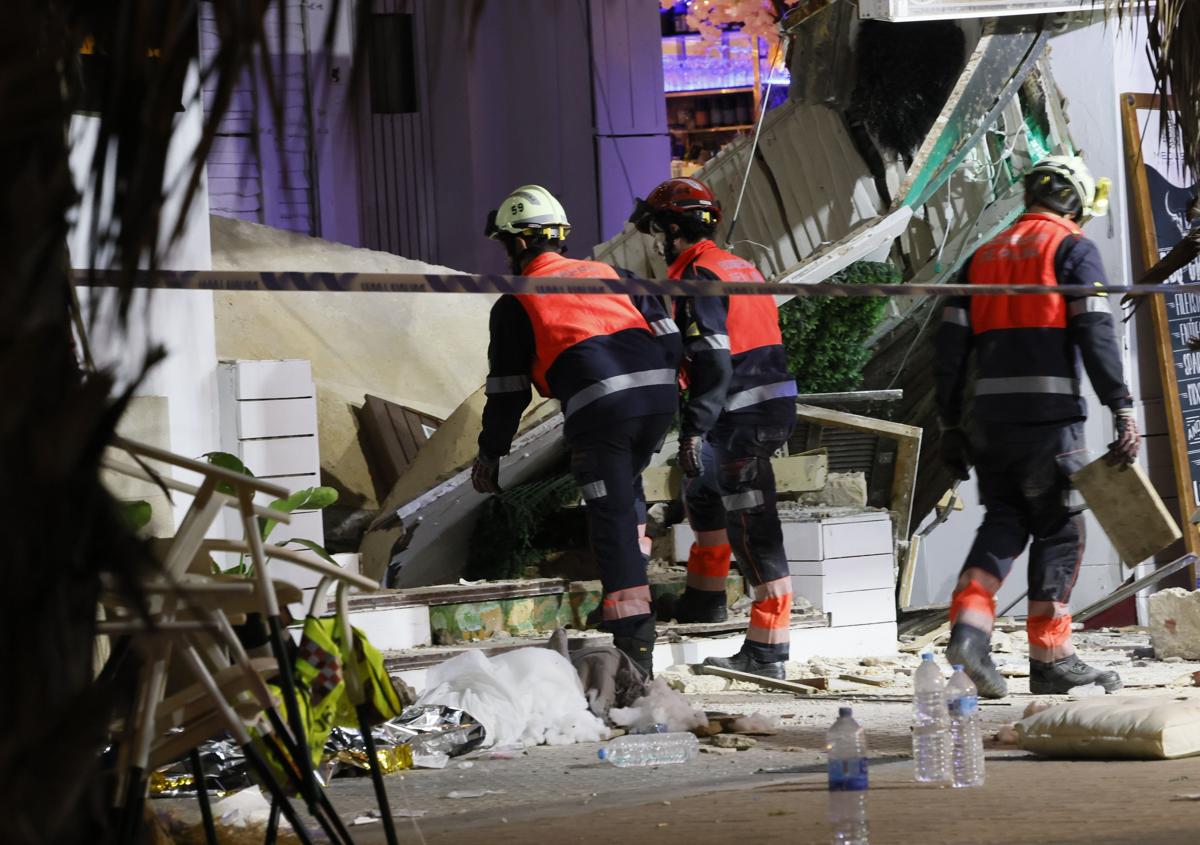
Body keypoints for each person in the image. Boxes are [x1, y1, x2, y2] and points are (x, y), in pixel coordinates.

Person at [934, 154, 1140, 698]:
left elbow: (949, 351)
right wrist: (1120, 406)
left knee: (1004, 520)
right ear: (1072, 199)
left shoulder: (980, 256)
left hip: (990, 423)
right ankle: (1051, 658)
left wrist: (951, 424)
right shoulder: (1072, 249)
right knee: (1059, 527)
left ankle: (970, 631)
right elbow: (1096, 333)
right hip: (1050, 424)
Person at [471, 184, 681, 676]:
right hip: (657, 399)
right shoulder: (614, 274)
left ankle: (634, 646)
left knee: (607, 519)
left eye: (504, 245)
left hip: (602, 411)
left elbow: (507, 391)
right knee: (624, 493)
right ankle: (623, 594)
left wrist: (489, 453)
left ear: (519, 244)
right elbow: (668, 339)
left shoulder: (517, 300)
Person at [630, 177, 797, 680]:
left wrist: (694, 428)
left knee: (753, 528)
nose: (657, 239)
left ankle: (768, 652)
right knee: (703, 493)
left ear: (675, 228)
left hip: (741, 414)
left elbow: (713, 360)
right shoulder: (734, 265)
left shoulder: (699, 275)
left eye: (659, 228)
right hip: (755, 406)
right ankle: (705, 600)